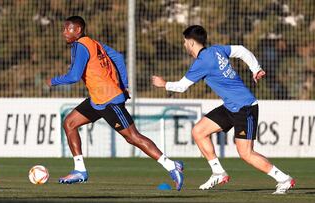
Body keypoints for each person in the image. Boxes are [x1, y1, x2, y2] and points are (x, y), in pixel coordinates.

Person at [152, 25, 295, 194]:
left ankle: (284, 179)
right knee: (199, 131)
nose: (184, 45)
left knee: (246, 153)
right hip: (230, 106)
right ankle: (218, 172)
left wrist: (163, 84)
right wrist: (255, 68)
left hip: (245, 107)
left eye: (184, 42)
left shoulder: (202, 62)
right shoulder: (217, 50)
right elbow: (241, 50)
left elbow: (182, 87)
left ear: (191, 42)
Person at [46, 16, 184, 191]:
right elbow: (118, 57)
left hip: (109, 100)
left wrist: (53, 81)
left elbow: (73, 76)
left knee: (133, 137)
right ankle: (80, 170)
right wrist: (124, 84)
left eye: (68, 29)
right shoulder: (94, 43)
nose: (64, 32)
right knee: (70, 123)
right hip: (98, 99)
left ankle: (171, 166)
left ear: (78, 30)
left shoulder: (82, 45)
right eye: (64, 28)